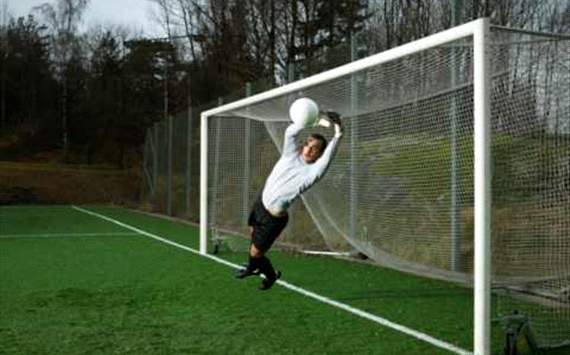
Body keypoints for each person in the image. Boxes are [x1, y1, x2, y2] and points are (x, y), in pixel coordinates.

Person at [235, 109, 343, 290]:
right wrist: (310, 120)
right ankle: (263, 271)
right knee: (253, 238)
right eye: (308, 145)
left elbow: (328, 157)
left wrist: (338, 132)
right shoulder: (290, 154)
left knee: (255, 252)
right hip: (260, 204)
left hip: (273, 219)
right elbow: (290, 132)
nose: (309, 149)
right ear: (303, 145)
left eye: (315, 149)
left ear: (319, 154)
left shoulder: (312, 173)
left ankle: (258, 270)